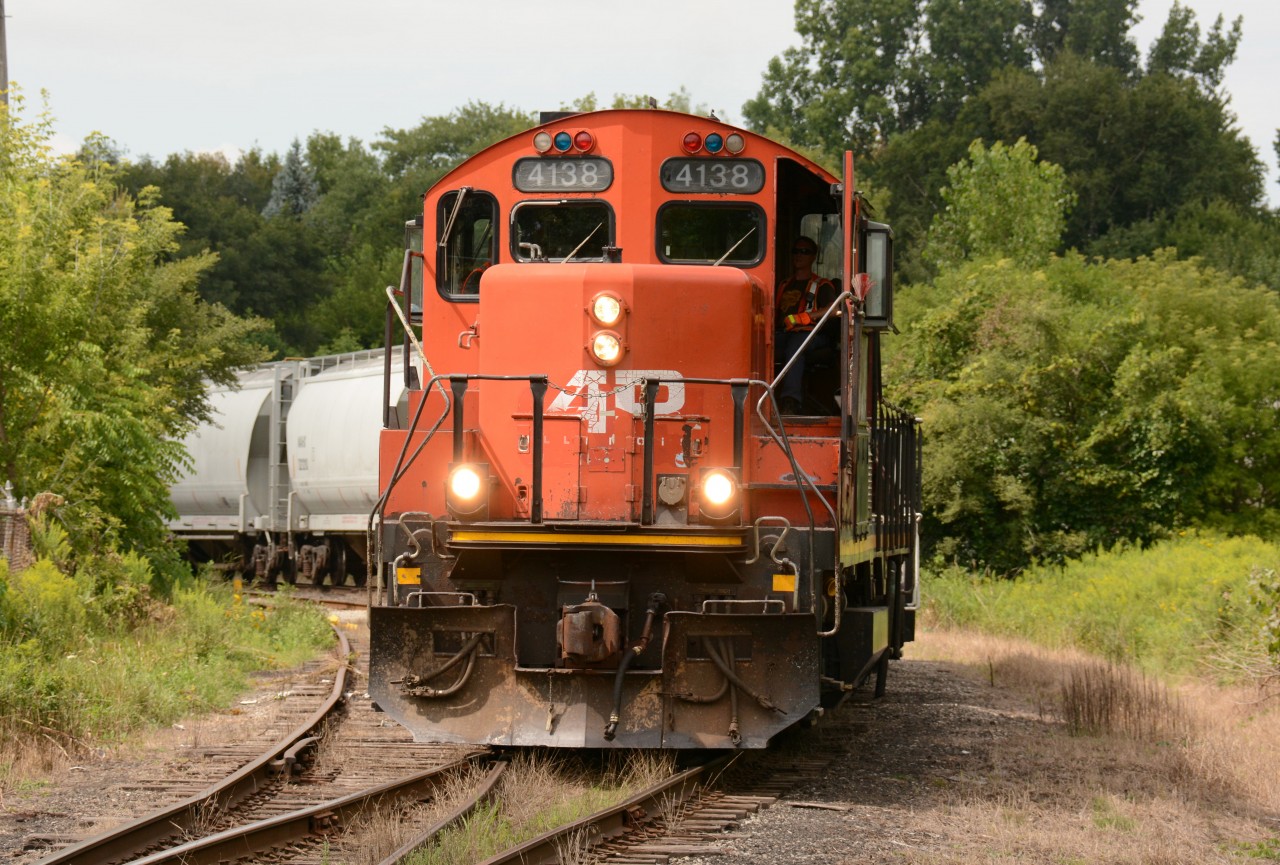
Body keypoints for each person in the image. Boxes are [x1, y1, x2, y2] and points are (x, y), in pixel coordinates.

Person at [775, 236, 837, 414]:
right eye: (796, 251)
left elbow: (834, 310)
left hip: (812, 336)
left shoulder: (822, 285)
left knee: (797, 345)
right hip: (784, 334)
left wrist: (805, 317)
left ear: (813, 257)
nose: (799, 255)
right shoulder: (784, 285)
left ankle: (790, 401)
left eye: (805, 252)